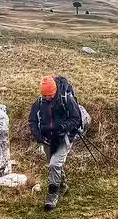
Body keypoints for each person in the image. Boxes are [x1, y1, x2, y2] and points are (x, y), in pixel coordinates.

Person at [29, 76, 81, 211]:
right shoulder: (39, 103)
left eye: (50, 95)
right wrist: (39, 137)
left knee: (54, 165)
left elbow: (76, 119)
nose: (48, 98)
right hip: (47, 139)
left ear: (55, 90)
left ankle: (52, 196)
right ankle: (63, 186)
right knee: (54, 165)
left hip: (63, 138)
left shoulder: (66, 99)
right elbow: (33, 121)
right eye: (45, 95)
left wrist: (64, 127)